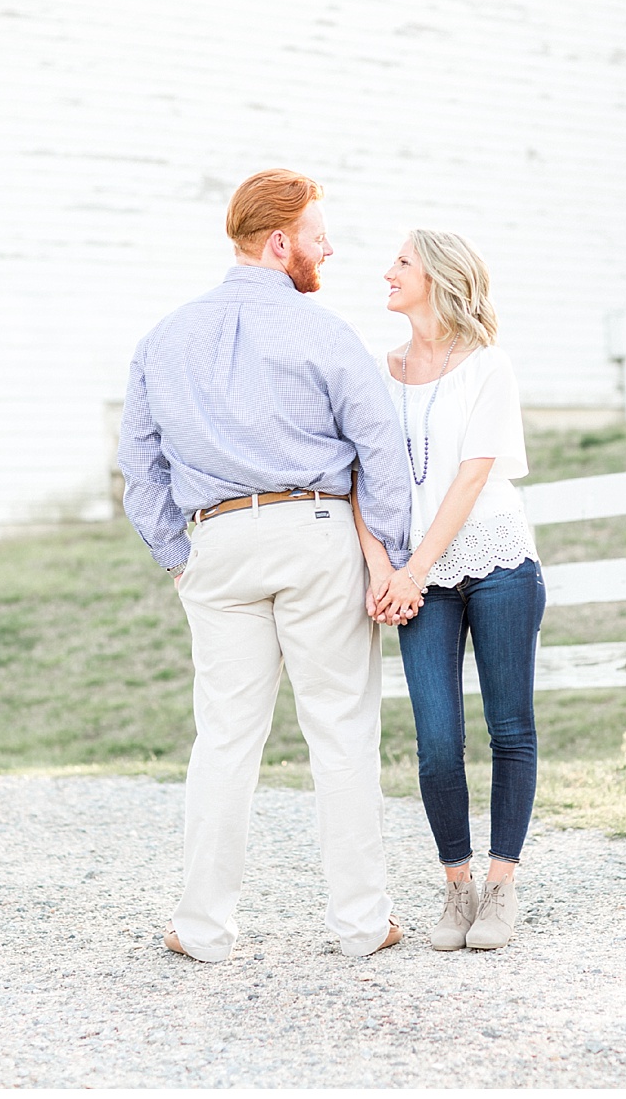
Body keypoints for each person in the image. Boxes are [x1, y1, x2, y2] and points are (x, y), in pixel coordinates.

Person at [118, 167, 415, 962]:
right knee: (341, 729)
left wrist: (179, 557)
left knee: (223, 739)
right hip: (314, 533)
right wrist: (388, 551)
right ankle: (360, 924)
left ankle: (203, 928)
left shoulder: (165, 337)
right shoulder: (323, 333)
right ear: (279, 242)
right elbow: (380, 446)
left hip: (216, 543)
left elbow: (137, 468)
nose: (329, 249)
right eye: (318, 236)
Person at [354, 229, 545, 952]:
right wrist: (382, 567)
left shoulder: (488, 368)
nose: (387, 273)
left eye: (400, 262)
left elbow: (470, 478)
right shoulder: (377, 371)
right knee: (435, 743)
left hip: (496, 562)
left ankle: (502, 888)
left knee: (509, 730)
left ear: (436, 275)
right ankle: (456, 889)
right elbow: (356, 479)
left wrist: (411, 568)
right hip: (413, 579)